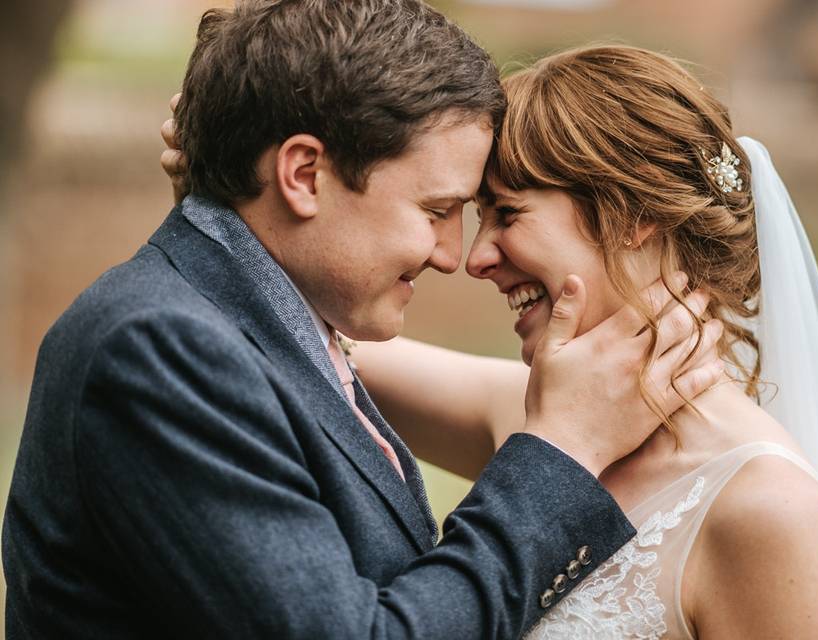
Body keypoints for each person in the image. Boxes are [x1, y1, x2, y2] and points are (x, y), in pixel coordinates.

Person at [1, 4, 725, 639]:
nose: (453, 256)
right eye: (437, 211)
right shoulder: (159, 347)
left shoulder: (252, 325)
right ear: (304, 175)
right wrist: (561, 451)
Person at [291, 46, 818, 638]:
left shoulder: (768, 507)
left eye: (507, 213)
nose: (476, 258)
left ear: (634, 217)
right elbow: (307, 349)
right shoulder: (542, 414)